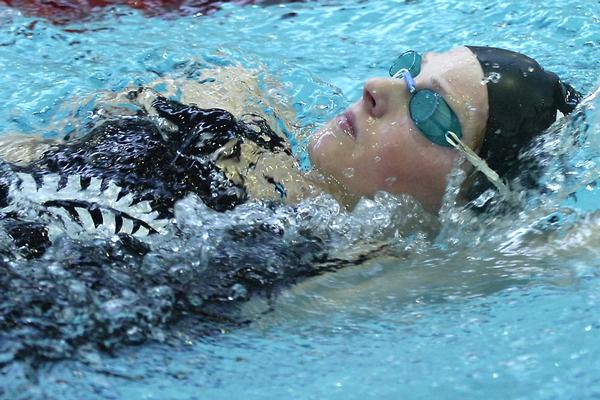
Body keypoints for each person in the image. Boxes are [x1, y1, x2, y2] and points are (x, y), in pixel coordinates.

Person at [0, 45, 583, 257]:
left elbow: (535, 257)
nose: (376, 91)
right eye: (406, 73)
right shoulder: (226, 110)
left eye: (432, 115)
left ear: (466, 197)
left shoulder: (330, 266)